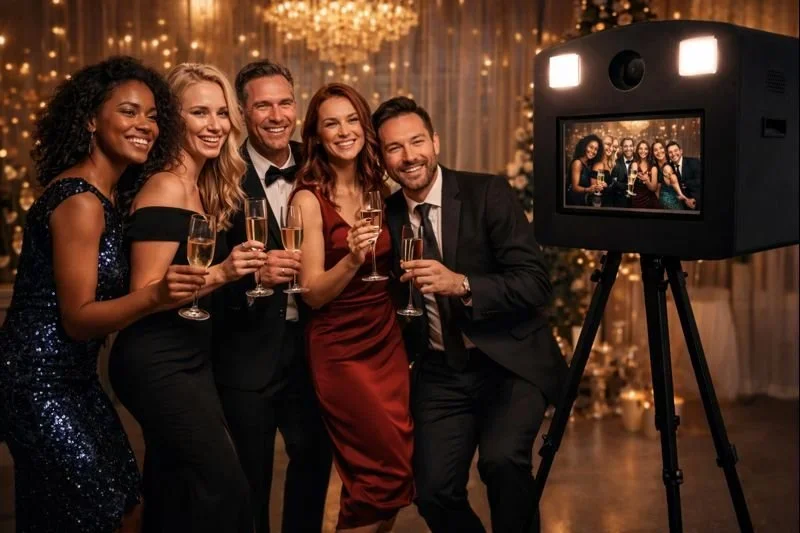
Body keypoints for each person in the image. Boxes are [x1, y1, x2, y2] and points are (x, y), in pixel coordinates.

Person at [0, 56, 206, 532]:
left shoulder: (109, 195)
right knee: (110, 512)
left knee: (117, 506)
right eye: (129, 111)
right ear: (91, 119)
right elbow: (77, 319)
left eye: (152, 115)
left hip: (74, 378)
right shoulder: (80, 200)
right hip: (36, 381)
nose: (145, 125)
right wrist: (156, 296)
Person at [374, 96, 568, 533]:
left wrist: (462, 284)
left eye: (417, 142)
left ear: (436, 142)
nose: (409, 156)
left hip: (509, 363)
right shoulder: (386, 216)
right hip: (441, 370)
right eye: (394, 148)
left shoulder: (487, 193)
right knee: (433, 492)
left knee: (502, 462)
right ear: (383, 158)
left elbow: (536, 282)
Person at [109, 63, 267, 533]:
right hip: (158, 360)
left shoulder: (199, 185)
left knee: (174, 493)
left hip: (190, 355)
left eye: (221, 113)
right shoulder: (167, 185)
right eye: (199, 112)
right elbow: (144, 293)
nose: (215, 125)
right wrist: (224, 271)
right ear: (172, 119)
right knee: (225, 491)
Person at [212, 60, 332, 533]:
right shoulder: (219, 173)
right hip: (247, 350)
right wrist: (251, 278)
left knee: (315, 464)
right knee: (249, 480)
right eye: (263, 105)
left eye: (285, 102)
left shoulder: (321, 164)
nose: (277, 115)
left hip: (314, 349)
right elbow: (201, 269)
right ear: (243, 112)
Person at [290, 83, 414, 532]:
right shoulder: (306, 199)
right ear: (316, 135)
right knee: (377, 477)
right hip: (340, 348)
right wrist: (353, 258)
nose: (344, 131)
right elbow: (312, 293)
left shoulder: (378, 188)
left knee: (396, 471)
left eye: (352, 120)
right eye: (331, 123)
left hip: (386, 339)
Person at [566, 134, 604, 206]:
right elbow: (574, 188)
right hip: (574, 202)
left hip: (584, 200)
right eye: (591, 147)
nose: (593, 151)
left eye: (596, 149)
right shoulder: (577, 163)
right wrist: (588, 189)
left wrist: (600, 185)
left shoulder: (589, 164)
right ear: (584, 146)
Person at [666, 140, 700, 209]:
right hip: (679, 205)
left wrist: (695, 200)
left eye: (675, 150)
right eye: (670, 152)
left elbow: (701, 182)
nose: (673, 154)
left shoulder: (693, 162)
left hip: (697, 203)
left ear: (681, 151)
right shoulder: (668, 167)